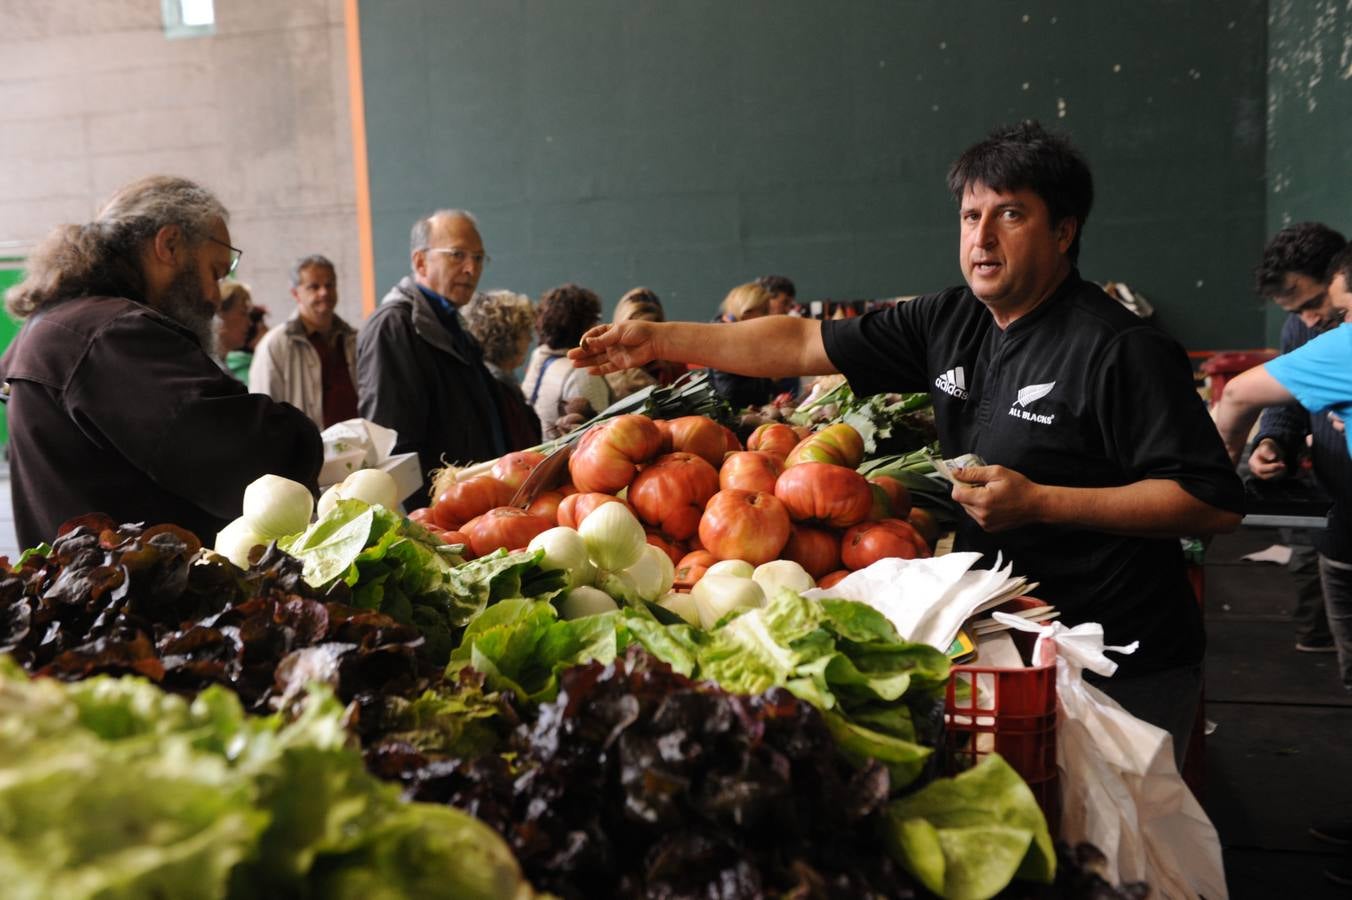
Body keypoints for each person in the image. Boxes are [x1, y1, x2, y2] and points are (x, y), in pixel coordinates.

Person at [572, 121, 1244, 762]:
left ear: (1064, 232)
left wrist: (1043, 502)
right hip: (1012, 646)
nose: (982, 235)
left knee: (1125, 868)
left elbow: (1209, 501)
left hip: (1124, 663)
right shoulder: (949, 319)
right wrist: (662, 341)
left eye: (1010, 214)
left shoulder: (1119, 348)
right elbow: (803, 340)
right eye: (969, 215)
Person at [0, 175, 322, 548]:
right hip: (142, 599)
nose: (215, 297)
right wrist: (307, 442)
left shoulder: (62, 324)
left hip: (96, 596)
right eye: (214, 272)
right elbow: (243, 458)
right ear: (169, 245)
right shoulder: (111, 336)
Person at [1214, 248, 1352, 889]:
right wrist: (1273, 440)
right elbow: (1291, 398)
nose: (1330, 322)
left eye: (1343, 310)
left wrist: (1200, 490)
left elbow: (1240, 392)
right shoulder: (1319, 333)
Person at [357, 210, 507, 504]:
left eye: (478, 258)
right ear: (420, 262)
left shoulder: (453, 325)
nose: (471, 269)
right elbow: (392, 444)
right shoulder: (394, 327)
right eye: (457, 255)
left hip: (473, 504)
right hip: (438, 514)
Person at [1246, 223, 1349, 654]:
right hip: (1340, 514)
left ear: (1342, 276)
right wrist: (1270, 442)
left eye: (1313, 303)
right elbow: (1287, 404)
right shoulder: (1299, 328)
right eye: (1296, 312)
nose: (1309, 320)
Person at [249, 254, 358, 430]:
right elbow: (263, 412)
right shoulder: (275, 345)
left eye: (329, 285)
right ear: (295, 294)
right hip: (308, 454)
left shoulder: (353, 339)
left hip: (360, 449)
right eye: (314, 287)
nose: (324, 292)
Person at [521, 284, 611, 439]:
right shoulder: (581, 373)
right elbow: (602, 436)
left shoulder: (538, 356)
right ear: (586, 325)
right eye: (595, 319)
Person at [462, 289, 542, 449]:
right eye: (526, 331)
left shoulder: (496, 381)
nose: (531, 338)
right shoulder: (497, 389)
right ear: (508, 338)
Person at [708, 282, 781, 409]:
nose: (767, 317)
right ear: (747, 311)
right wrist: (770, 378)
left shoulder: (728, 332)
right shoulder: (725, 339)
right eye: (764, 311)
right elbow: (730, 392)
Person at [603, 287, 683, 401]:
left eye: (651, 332)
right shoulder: (606, 368)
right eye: (633, 332)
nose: (642, 340)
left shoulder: (675, 363)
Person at [216, 280, 256, 382]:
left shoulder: (220, 367)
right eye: (243, 313)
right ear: (220, 315)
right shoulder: (210, 369)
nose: (249, 323)